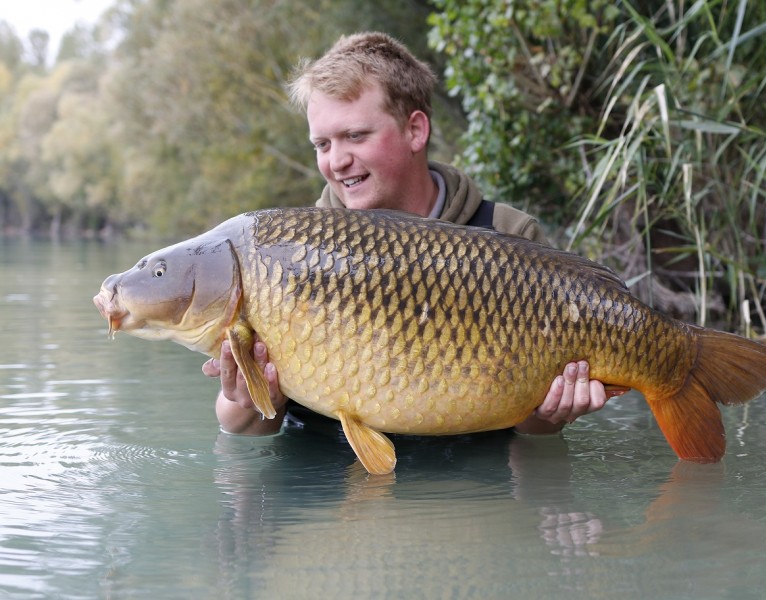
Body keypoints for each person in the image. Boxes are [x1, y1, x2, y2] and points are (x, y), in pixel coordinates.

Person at [202, 32, 627, 439]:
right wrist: (247, 397)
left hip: (472, 487)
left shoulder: (509, 235)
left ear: (415, 131)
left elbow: (533, 432)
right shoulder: (284, 256)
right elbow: (240, 430)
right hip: (327, 482)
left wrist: (549, 417)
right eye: (322, 145)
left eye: (355, 136)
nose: (337, 161)